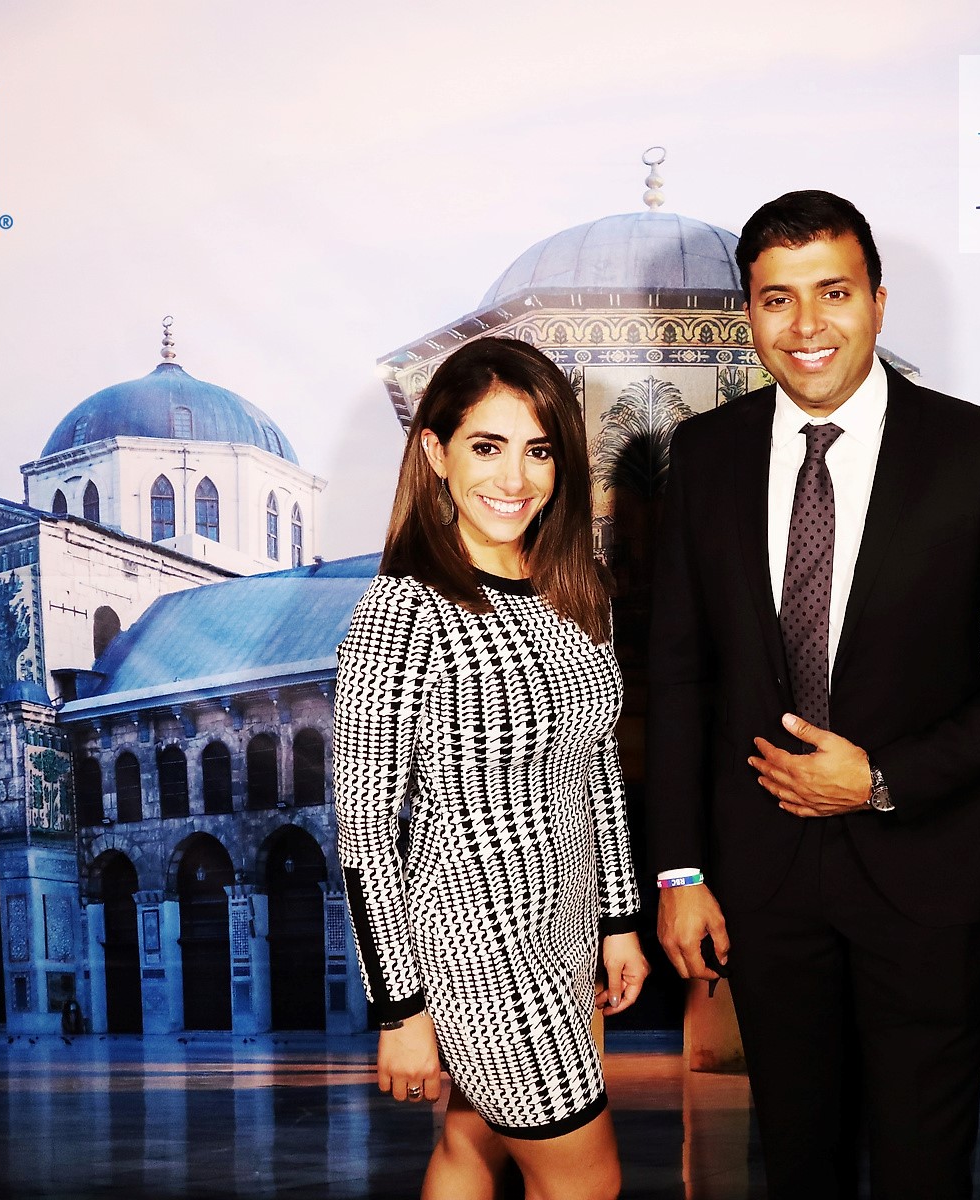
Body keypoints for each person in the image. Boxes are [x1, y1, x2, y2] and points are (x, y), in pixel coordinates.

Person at [648, 190, 980, 1199]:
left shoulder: (978, 451)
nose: (806, 325)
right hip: (761, 883)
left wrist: (883, 778)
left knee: (920, 1168)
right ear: (750, 314)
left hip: (924, 872)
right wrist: (679, 872)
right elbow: (678, 677)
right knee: (797, 1162)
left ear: (879, 302)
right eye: (777, 299)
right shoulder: (705, 459)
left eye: (834, 292)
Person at [334, 336, 651, 1200]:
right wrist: (401, 1011)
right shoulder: (404, 609)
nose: (515, 478)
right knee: (586, 1184)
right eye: (487, 446)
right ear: (436, 453)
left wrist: (619, 920)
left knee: (470, 1147)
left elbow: (596, 769)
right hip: (480, 950)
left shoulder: (576, 589)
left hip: (566, 930)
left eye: (538, 451)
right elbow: (366, 831)